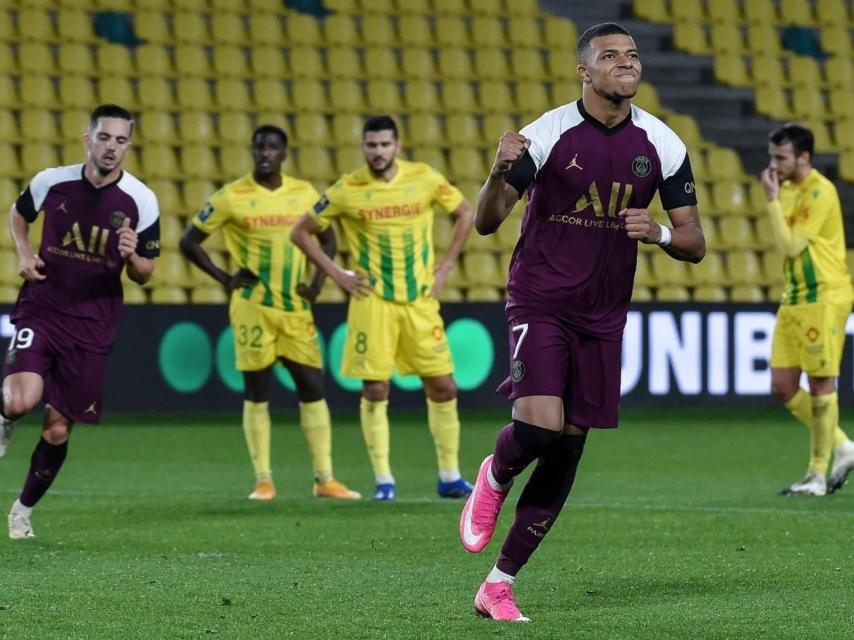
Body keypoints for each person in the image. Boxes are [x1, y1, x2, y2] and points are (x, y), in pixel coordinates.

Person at [458, 23, 706, 621]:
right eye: (610, 56)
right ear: (584, 71)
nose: (627, 64)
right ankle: (497, 469)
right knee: (540, 430)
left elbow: (695, 243)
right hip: (540, 298)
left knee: (568, 451)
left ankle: (498, 584)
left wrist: (662, 233)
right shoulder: (548, 133)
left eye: (633, 56)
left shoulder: (663, 143)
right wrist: (497, 171)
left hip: (604, 314)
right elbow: (489, 222)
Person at [291, 115, 475, 502]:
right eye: (371, 145)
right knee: (376, 388)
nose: (378, 152)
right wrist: (338, 274)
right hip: (371, 301)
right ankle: (384, 480)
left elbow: (465, 213)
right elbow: (301, 232)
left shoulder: (424, 177)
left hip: (418, 301)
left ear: (397, 146)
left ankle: (450, 476)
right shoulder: (347, 188)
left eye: (384, 144)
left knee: (443, 386)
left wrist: (445, 267)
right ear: (363, 147)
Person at [0, 104, 160, 539]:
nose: (112, 148)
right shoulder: (51, 180)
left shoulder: (141, 201)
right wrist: (24, 252)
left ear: (129, 145)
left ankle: (22, 511)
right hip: (43, 307)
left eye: (121, 140)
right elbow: (18, 213)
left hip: (92, 326)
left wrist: (132, 254)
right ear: (88, 140)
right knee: (18, 401)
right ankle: (5, 418)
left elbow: (146, 274)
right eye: (104, 138)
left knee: (56, 429)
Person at [179, 125, 360, 502]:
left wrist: (317, 283)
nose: (265, 153)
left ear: (284, 154)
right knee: (257, 391)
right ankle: (263, 480)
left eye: (273, 147)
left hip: (295, 308)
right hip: (253, 308)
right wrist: (224, 277)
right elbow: (188, 241)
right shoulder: (232, 196)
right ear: (252, 151)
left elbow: (327, 234)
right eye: (259, 147)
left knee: (312, 386)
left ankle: (324, 479)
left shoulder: (304, 193)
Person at [761, 123, 854, 497]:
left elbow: (791, 245)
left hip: (824, 295)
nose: (774, 164)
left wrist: (770, 200)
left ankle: (816, 474)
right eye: (772, 156)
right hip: (795, 296)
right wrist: (776, 195)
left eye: (781, 157)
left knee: (819, 384)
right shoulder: (786, 188)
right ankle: (844, 447)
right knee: (782, 386)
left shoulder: (821, 191)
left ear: (804, 157)